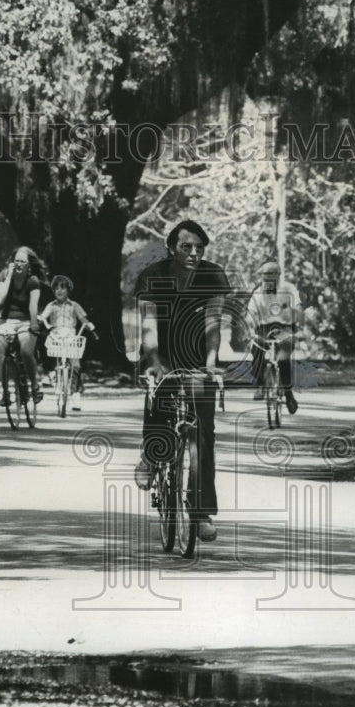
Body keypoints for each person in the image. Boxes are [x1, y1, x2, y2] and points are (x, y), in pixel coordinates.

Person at [134, 220, 230, 542]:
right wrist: (156, 363)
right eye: (186, 247)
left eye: (199, 248)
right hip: (160, 353)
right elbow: (148, 324)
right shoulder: (153, 276)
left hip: (197, 358)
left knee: (203, 431)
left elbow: (213, 324)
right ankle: (151, 453)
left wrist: (211, 363)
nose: (193, 253)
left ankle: (201, 512)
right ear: (171, 248)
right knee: (158, 397)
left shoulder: (213, 275)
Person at [0, 247, 47, 408]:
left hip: (25, 321)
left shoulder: (33, 281)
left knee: (25, 350)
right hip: (6, 321)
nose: (19, 264)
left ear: (29, 265)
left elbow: (33, 306)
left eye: (23, 261)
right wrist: (9, 276)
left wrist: (34, 325)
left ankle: (34, 386)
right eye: (16, 261)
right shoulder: (4, 275)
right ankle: (5, 391)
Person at [247, 260, 302, 414]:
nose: (267, 280)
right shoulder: (258, 293)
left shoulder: (288, 289)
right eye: (264, 276)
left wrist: (294, 314)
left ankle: (288, 394)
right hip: (264, 328)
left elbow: (298, 309)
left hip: (284, 327)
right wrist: (250, 326)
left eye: (271, 275)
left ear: (278, 275)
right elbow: (250, 314)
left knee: (283, 359)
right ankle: (260, 384)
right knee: (256, 348)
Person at [38, 275, 96, 410]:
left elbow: (83, 318)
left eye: (62, 288)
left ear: (68, 290)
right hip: (56, 338)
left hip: (71, 338)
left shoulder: (74, 305)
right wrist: (40, 318)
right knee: (50, 353)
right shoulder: (51, 306)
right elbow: (43, 316)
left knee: (75, 365)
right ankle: (52, 376)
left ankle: (76, 395)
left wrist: (88, 324)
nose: (59, 291)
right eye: (56, 288)